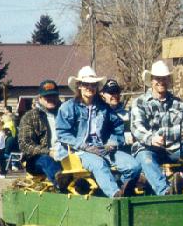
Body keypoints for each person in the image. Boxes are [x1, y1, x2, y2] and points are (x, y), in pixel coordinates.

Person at [56, 66, 141, 198]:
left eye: (93, 84)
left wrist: (112, 142)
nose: (90, 87)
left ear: (97, 87)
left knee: (134, 166)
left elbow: (117, 126)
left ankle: (123, 190)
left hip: (103, 147)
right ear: (79, 85)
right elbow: (62, 133)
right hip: (78, 151)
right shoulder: (68, 107)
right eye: (86, 84)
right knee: (99, 164)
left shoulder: (104, 108)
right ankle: (115, 195)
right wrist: (84, 146)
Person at [131, 59, 183, 195]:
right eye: (158, 78)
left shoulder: (179, 103)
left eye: (164, 78)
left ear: (168, 80)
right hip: (153, 151)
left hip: (177, 149)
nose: (161, 81)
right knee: (144, 156)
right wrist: (151, 138)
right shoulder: (140, 102)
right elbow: (136, 127)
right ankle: (166, 191)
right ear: (151, 80)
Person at [19, 80, 65, 186]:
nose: (50, 99)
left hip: (65, 154)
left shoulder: (66, 114)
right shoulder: (30, 117)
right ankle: (63, 185)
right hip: (38, 159)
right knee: (47, 161)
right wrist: (49, 152)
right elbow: (25, 144)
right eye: (46, 97)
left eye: (53, 96)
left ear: (58, 97)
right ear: (39, 98)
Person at [100, 79, 132, 150]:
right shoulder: (100, 114)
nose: (115, 95)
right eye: (111, 92)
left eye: (117, 92)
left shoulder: (127, 114)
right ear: (102, 94)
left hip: (127, 148)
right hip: (108, 149)